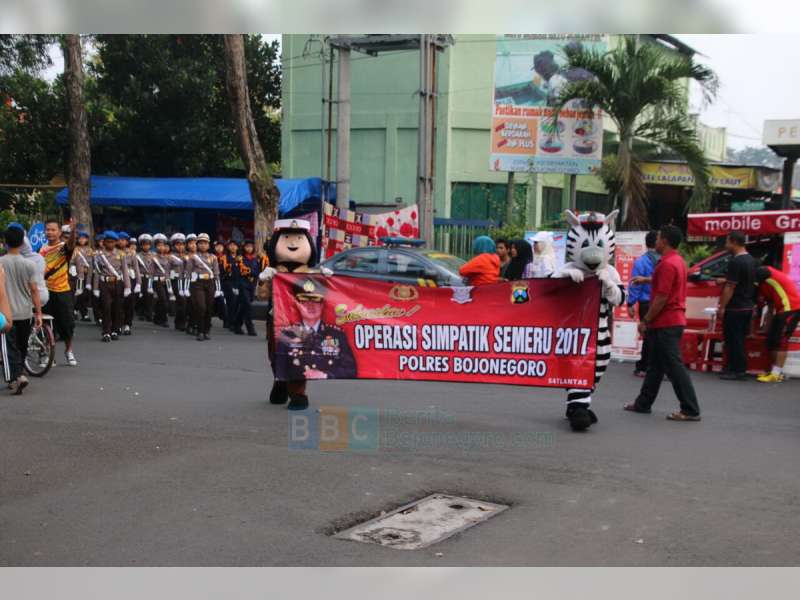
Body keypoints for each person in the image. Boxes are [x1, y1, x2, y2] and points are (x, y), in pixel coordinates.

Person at [624, 225, 700, 422]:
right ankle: (643, 403)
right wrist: (646, 280)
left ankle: (690, 409)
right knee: (655, 366)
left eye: (657, 238)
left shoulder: (666, 264)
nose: (655, 242)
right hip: (669, 321)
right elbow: (665, 282)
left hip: (666, 322)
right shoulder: (677, 261)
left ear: (664, 241)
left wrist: (645, 320)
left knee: (674, 367)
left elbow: (661, 298)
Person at [0, 226, 43, 394]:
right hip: (25, 311)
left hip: (5, 313)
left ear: (5, 242)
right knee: (22, 346)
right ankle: (19, 374)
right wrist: (38, 313)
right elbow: (34, 290)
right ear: (22, 243)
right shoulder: (30, 264)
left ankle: (16, 377)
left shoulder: (1, 263)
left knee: (9, 348)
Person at [717, 231, 758, 380]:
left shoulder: (736, 261)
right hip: (747, 305)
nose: (725, 245)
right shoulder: (751, 260)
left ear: (734, 242)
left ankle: (738, 369)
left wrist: (722, 306)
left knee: (733, 339)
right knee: (738, 339)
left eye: (727, 242)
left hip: (736, 306)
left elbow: (730, 286)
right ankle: (732, 367)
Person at [39, 218, 78, 366]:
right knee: (46, 324)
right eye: (47, 229)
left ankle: (68, 351)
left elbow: (71, 244)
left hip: (63, 291)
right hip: (46, 291)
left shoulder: (63, 248)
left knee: (68, 324)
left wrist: (73, 232)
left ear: (60, 232)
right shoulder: (41, 250)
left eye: (53, 229)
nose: (50, 232)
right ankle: (48, 355)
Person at [754, 266, 800, 383]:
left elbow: (763, 273)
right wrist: (766, 327)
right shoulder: (764, 285)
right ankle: (774, 372)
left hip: (791, 308)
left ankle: (776, 374)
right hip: (781, 311)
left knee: (781, 341)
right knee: (772, 340)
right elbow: (770, 307)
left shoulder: (764, 272)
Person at [627, 230, 660, 377]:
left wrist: (630, 303)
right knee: (658, 335)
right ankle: (652, 366)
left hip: (646, 303)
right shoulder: (666, 260)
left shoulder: (641, 261)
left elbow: (635, 284)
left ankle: (643, 366)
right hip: (662, 303)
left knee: (648, 335)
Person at [92, 230, 131, 342]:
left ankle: (115, 330)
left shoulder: (121, 254)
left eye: (113, 242)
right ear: (104, 242)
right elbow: (97, 272)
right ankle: (106, 332)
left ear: (116, 242)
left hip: (117, 283)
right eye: (108, 242)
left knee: (117, 308)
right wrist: (95, 288)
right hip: (104, 283)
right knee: (106, 307)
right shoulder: (98, 255)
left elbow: (125, 271)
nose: (110, 244)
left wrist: (128, 286)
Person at [186, 233, 222, 341]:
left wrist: (218, 289)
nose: (203, 245)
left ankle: (207, 330)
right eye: (200, 243)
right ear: (197, 245)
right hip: (197, 283)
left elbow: (216, 274)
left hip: (210, 283)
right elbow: (187, 273)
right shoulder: (193, 257)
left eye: (205, 243)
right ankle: (200, 331)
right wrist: (186, 288)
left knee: (209, 308)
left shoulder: (213, 257)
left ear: (208, 245)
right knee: (201, 307)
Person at [233, 238, 259, 336]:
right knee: (247, 304)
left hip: (251, 284)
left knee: (244, 306)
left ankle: (237, 324)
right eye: (247, 246)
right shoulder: (240, 258)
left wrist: (250, 272)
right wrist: (236, 286)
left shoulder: (255, 259)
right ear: (243, 248)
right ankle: (250, 327)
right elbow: (236, 272)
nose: (249, 248)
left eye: (251, 247)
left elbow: (257, 272)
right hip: (242, 284)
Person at [117, 232, 141, 335]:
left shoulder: (131, 253)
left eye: (123, 240)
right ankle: (118, 324)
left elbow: (136, 268)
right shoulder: (115, 252)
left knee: (130, 302)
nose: (121, 242)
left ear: (127, 242)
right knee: (118, 302)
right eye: (119, 240)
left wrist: (138, 282)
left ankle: (127, 324)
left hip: (131, 278)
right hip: (118, 278)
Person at [150, 234, 173, 327]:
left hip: (167, 281)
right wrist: (149, 285)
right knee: (163, 300)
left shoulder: (169, 257)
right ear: (155, 247)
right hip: (158, 281)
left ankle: (157, 317)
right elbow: (151, 272)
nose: (161, 247)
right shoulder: (153, 257)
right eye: (159, 245)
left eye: (163, 245)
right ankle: (164, 319)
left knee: (163, 300)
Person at [70, 231, 93, 322]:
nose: (82, 240)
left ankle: (81, 312)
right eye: (80, 238)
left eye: (84, 238)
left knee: (85, 294)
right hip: (77, 275)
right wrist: (72, 267)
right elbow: (71, 261)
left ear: (87, 239)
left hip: (87, 275)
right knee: (77, 293)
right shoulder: (75, 249)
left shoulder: (90, 250)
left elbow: (91, 263)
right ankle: (77, 312)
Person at [168, 233, 187, 331]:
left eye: (182, 244)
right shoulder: (170, 257)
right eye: (178, 244)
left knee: (186, 302)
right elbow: (167, 271)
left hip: (186, 281)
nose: (180, 246)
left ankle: (182, 320)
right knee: (181, 301)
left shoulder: (188, 256)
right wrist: (169, 286)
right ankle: (180, 323)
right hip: (175, 281)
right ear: (173, 245)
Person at [220, 239, 240, 330]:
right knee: (231, 302)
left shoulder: (241, 257)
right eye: (231, 245)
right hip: (228, 282)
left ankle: (233, 321)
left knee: (237, 303)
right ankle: (229, 321)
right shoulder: (224, 258)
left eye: (234, 245)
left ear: (238, 247)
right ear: (228, 247)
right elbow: (222, 270)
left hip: (239, 282)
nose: (233, 247)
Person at [135, 234, 155, 321]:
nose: (146, 246)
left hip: (150, 278)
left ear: (150, 245)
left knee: (149, 296)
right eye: (144, 244)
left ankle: (149, 313)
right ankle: (141, 313)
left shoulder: (154, 255)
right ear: (141, 245)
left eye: (147, 244)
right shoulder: (137, 255)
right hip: (141, 277)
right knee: (141, 295)